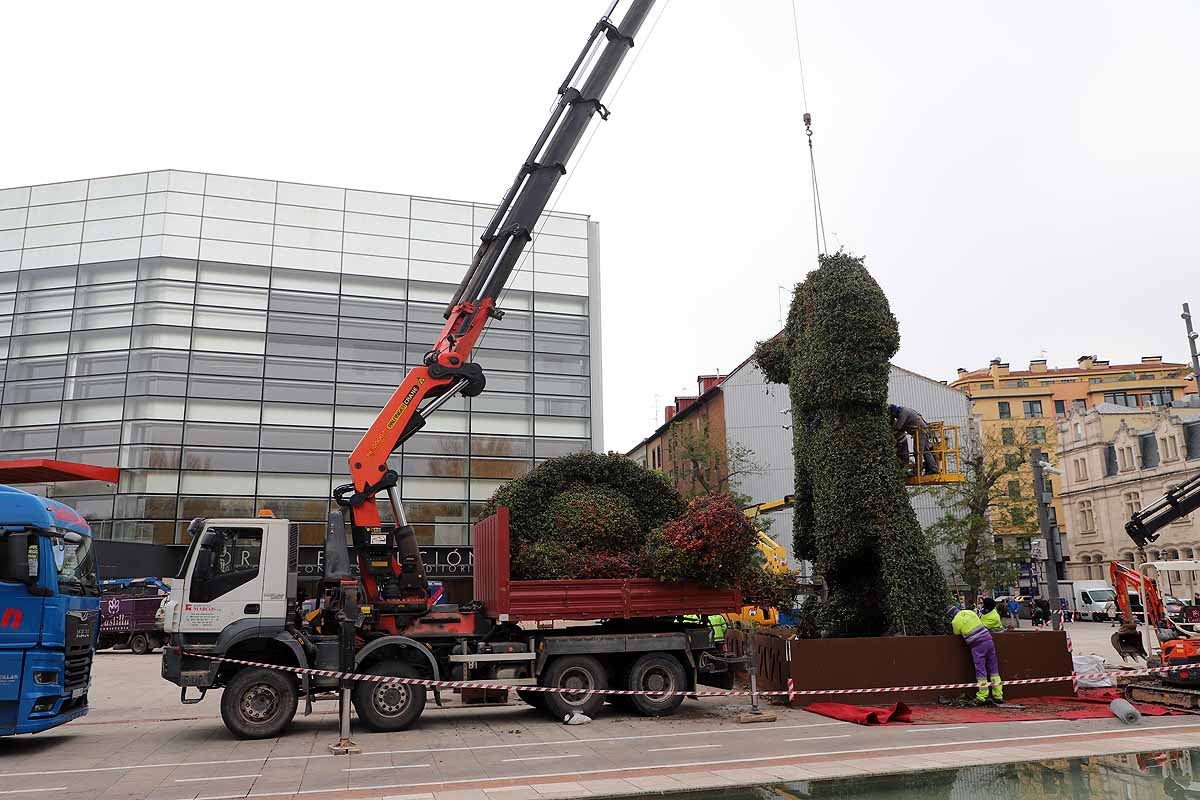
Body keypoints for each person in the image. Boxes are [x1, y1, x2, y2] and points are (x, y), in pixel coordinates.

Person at [950, 604, 1003, 705]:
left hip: (977, 645)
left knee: (981, 670)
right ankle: (998, 695)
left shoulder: (955, 621)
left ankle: (982, 695)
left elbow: (956, 633)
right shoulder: (970, 612)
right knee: (994, 669)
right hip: (988, 640)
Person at [888, 404, 939, 475]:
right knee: (925, 451)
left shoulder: (903, 413)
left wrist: (889, 431)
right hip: (924, 430)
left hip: (920, 431)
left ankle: (917, 471)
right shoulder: (905, 410)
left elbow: (898, 427)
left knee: (918, 452)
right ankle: (933, 469)